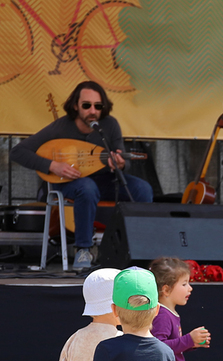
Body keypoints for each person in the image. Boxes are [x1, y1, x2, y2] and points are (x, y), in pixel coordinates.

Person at [10, 81, 154, 269]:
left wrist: (119, 162)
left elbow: (122, 158)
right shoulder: (60, 127)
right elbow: (18, 152)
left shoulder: (109, 125)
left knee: (143, 189)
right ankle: (83, 249)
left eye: (97, 106)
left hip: (104, 181)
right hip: (69, 182)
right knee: (87, 187)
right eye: (86, 105)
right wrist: (52, 165)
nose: (92, 110)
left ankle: (139, 249)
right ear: (76, 106)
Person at [149, 257, 211, 361]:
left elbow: (172, 345)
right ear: (166, 290)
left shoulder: (168, 312)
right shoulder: (162, 315)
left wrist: (191, 344)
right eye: (184, 284)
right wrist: (189, 339)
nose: (190, 288)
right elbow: (159, 347)